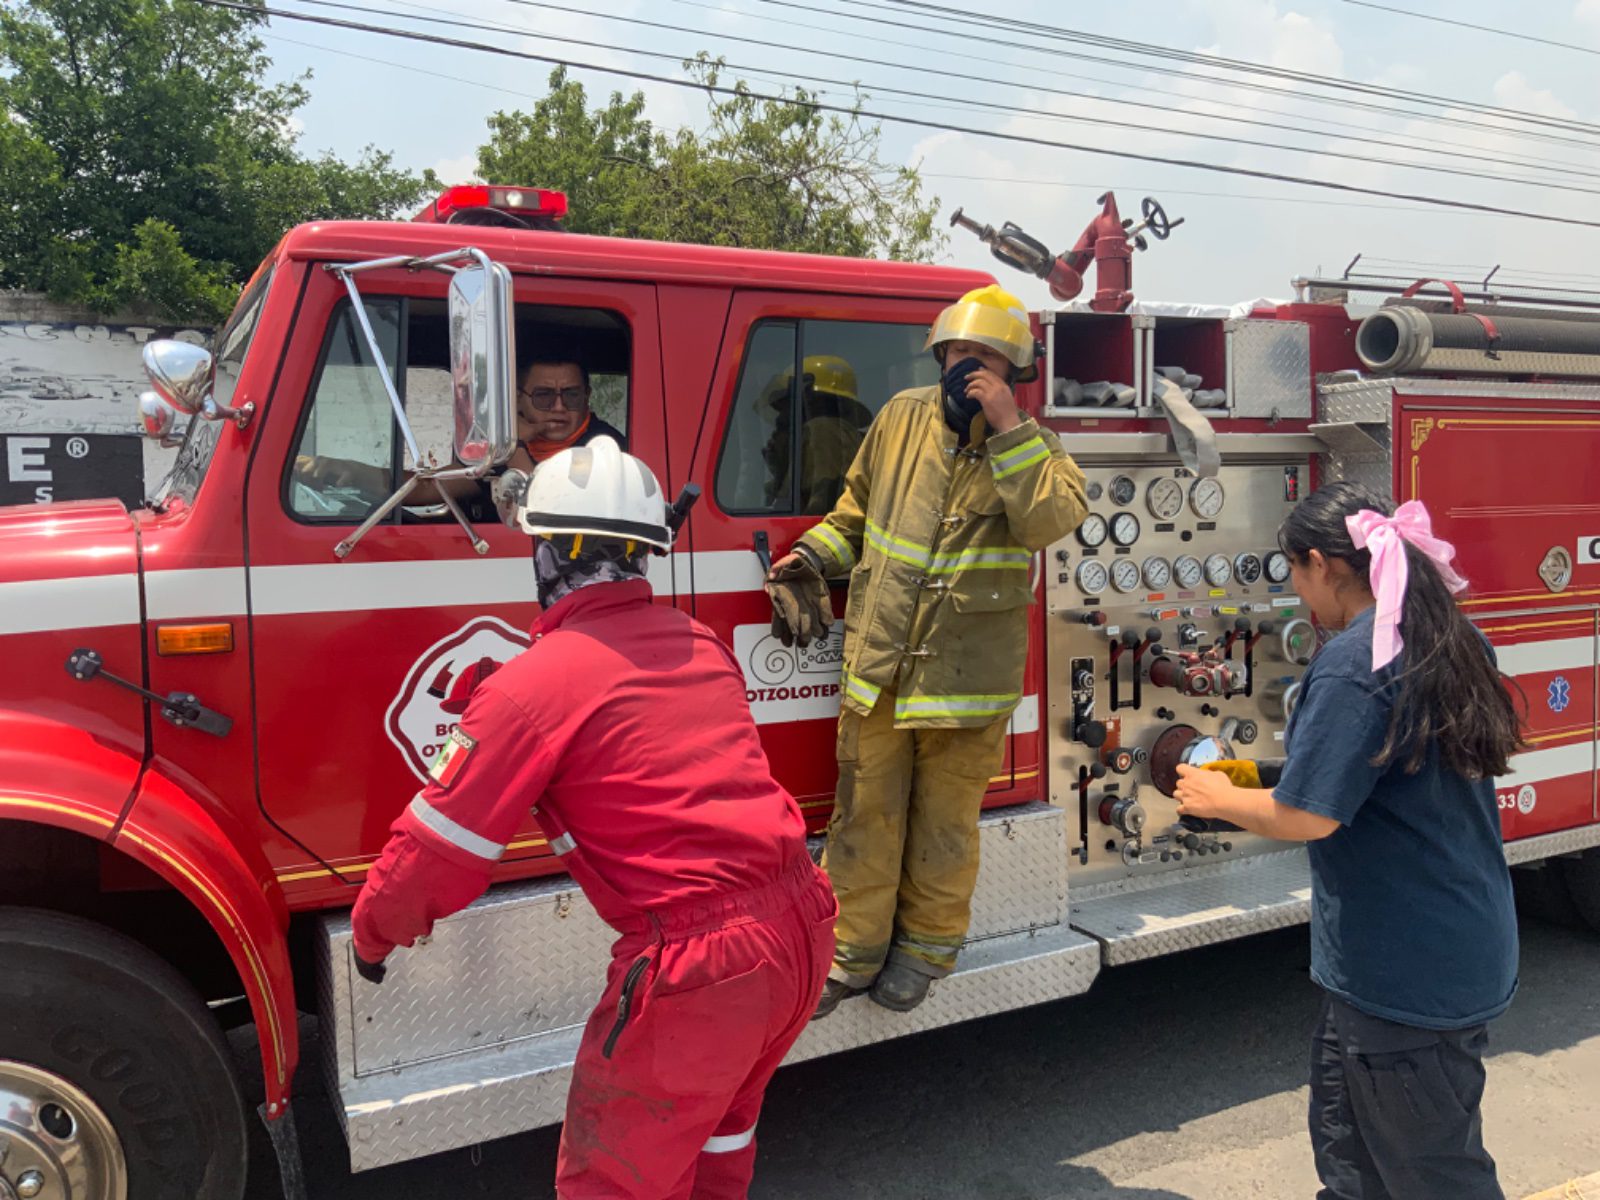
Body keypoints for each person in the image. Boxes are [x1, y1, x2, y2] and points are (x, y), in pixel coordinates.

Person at [349, 437, 835, 1200]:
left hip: (700, 971)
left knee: (614, 1181)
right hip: (801, 925)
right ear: (645, 555)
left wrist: (374, 933)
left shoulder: (532, 688)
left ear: (544, 556)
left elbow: (437, 850)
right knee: (719, 1136)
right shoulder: (698, 643)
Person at [1174, 481, 1522, 1200]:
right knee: (1353, 1167)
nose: (1300, 597)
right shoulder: (1446, 633)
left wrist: (1219, 795)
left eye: (1294, 576)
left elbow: (1310, 816)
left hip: (1404, 981)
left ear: (1320, 564)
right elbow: (1377, 770)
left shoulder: (1355, 661)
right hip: (1431, 957)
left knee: (1433, 1179)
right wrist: (1260, 777)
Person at [765, 284, 1088, 1017]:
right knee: (864, 816)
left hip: (966, 685)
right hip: (880, 671)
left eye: (987, 361)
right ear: (937, 355)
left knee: (944, 827)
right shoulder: (899, 421)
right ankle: (850, 956)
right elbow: (854, 512)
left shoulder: (1039, 451)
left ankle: (924, 953)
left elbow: (1048, 522)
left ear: (1014, 374)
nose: (967, 371)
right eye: (957, 355)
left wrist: (1006, 430)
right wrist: (810, 560)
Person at [760, 354, 873, 515]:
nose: (781, 416)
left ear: (811, 401)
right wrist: (780, 464)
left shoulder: (824, 432)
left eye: (786, 403)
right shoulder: (825, 437)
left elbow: (822, 504)